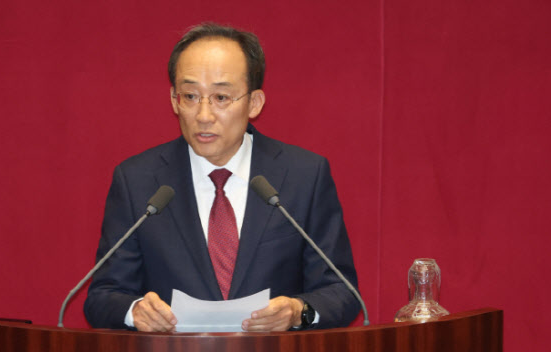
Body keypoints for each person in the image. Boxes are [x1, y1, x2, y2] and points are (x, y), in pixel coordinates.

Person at [84, 23, 360, 332]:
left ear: (254, 103)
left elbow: (341, 291)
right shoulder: (137, 181)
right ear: (174, 100)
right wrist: (135, 311)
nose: (204, 115)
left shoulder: (303, 176)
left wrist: (299, 312)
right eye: (190, 96)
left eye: (221, 97)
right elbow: (102, 296)